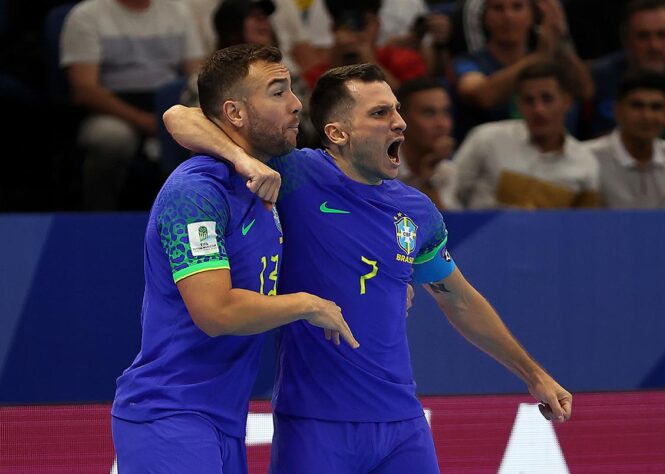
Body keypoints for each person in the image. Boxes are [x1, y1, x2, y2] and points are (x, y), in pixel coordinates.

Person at [164, 63, 572, 474]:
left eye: (396, 110)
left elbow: (461, 301)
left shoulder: (416, 211)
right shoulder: (293, 174)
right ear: (337, 133)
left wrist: (533, 375)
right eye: (379, 114)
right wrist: (243, 160)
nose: (400, 123)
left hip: (403, 427)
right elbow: (179, 117)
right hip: (315, 425)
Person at [111, 44, 358, 474]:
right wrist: (309, 304)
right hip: (170, 418)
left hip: (224, 421)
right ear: (236, 113)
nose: (297, 104)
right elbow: (215, 311)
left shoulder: (274, 176)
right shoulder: (195, 193)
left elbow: (184, 117)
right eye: (278, 92)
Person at [60, 0, 206, 210]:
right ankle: (100, 216)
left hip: (169, 106)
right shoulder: (86, 15)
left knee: (209, 135)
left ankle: (194, 213)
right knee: (111, 139)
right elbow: (84, 89)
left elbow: (198, 76)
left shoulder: (177, 11)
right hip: (111, 110)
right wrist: (144, 121)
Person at [445, 60, 600, 209]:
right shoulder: (486, 138)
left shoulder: (585, 162)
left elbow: (585, 225)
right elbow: (450, 192)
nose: (538, 109)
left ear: (566, 102)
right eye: (529, 100)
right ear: (518, 104)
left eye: (547, 99)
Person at [451, 0, 593, 139]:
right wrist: (538, 57)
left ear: (533, 15)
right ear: (485, 17)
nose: (508, 16)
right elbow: (481, 96)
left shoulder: (547, 57)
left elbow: (586, 91)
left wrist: (560, 40)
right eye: (498, 8)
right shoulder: (466, 62)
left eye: (517, 7)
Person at [587, 0, 665, 145]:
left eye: (662, 35)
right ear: (625, 40)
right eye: (643, 36)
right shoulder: (597, 80)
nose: (654, 46)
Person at [584, 71, 665, 208]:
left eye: (656, 107)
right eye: (637, 106)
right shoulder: (587, 157)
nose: (647, 116)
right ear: (617, 111)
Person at [395, 77, 456, 209]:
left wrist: (429, 180)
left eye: (445, 112)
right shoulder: (379, 169)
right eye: (429, 113)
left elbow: (447, 227)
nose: (442, 124)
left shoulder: (447, 171)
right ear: (400, 119)